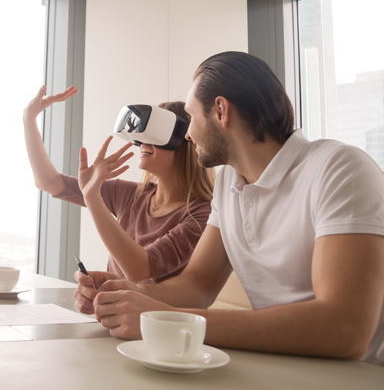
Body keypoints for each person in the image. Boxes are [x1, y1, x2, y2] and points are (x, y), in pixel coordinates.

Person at [73, 51, 384, 365]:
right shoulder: (228, 185)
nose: (189, 135)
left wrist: (172, 320)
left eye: (191, 119)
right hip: (280, 367)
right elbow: (198, 284)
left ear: (221, 111)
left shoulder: (340, 169)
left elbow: (346, 329)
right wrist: (128, 293)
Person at [23, 86, 215, 283]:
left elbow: (139, 269)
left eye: (155, 133)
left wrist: (93, 198)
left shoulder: (202, 214)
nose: (142, 142)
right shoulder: (130, 195)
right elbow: (48, 182)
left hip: (157, 315)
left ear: (185, 141)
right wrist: (29, 118)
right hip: (114, 312)